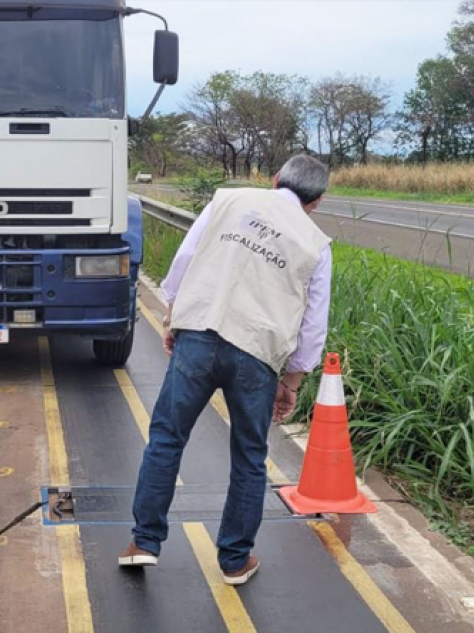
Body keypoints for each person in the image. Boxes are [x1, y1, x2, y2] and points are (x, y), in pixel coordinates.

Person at [119, 155, 333, 586]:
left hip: (200, 334)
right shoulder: (317, 244)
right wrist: (291, 382)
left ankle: (143, 544)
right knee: (250, 457)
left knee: (166, 438)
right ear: (318, 201)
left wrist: (172, 317)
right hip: (257, 353)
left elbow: (185, 260)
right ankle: (235, 560)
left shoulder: (228, 200)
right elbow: (313, 324)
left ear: (275, 180)